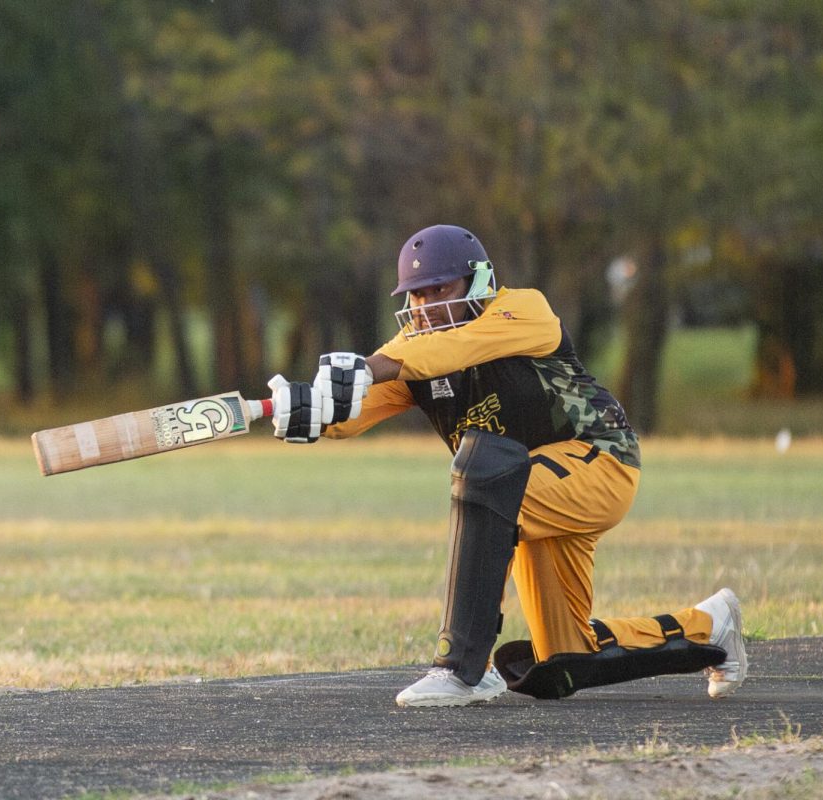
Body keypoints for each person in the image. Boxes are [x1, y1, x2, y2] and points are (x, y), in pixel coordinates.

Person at [268, 224, 747, 707]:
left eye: (440, 290)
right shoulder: (411, 352)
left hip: (600, 461)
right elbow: (352, 414)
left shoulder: (522, 311)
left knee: (486, 485)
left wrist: (368, 367)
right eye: (416, 296)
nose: (426, 307)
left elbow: (449, 350)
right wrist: (306, 409)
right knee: (566, 657)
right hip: (529, 487)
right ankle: (711, 627)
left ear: (477, 283)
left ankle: (462, 668)